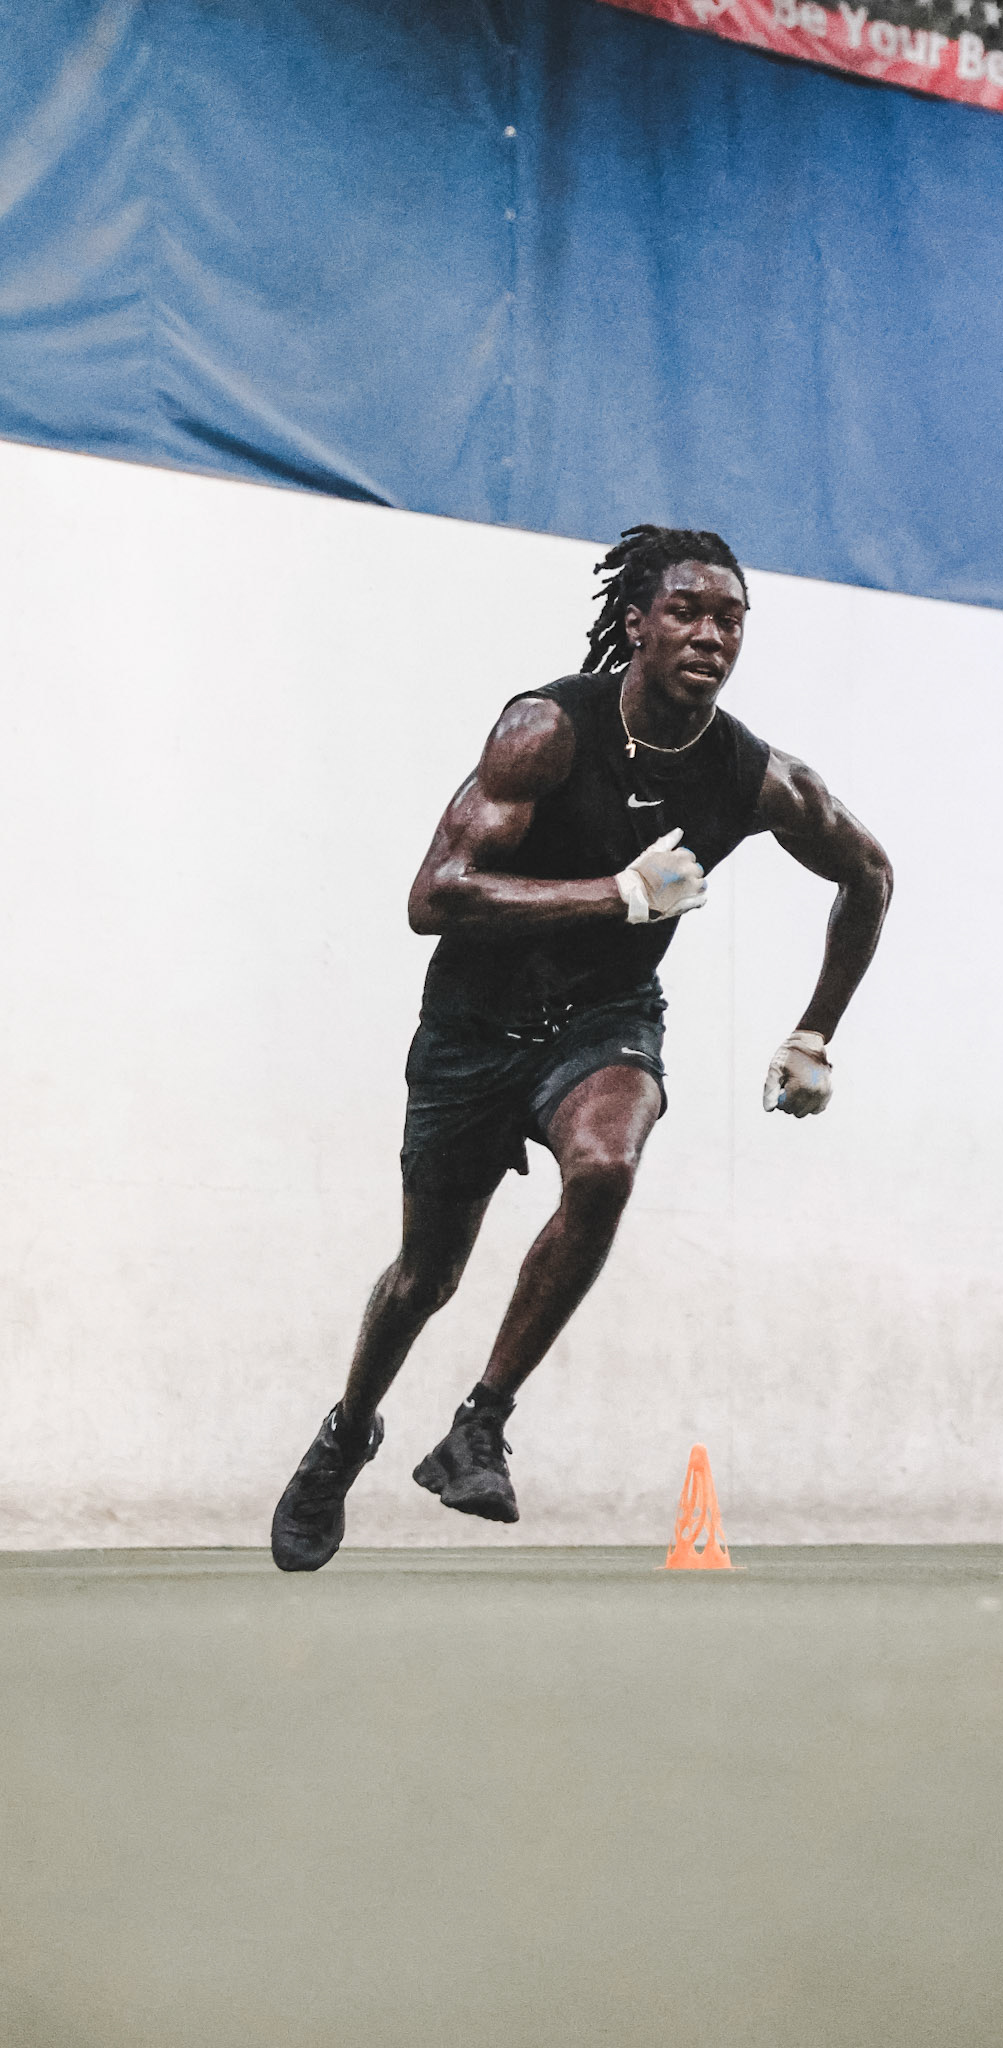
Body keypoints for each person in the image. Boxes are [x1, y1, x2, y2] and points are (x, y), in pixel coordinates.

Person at [271, 525, 893, 1570]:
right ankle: (347, 1433)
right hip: (473, 1028)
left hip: (606, 1020)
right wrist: (616, 894)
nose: (710, 634)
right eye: (686, 611)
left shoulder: (753, 777)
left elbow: (868, 872)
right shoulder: (546, 730)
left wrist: (814, 1032)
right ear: (638, 623)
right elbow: (435, 897)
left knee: (606, 1165)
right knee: (425, 1278)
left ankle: (480, 1425)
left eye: (730, 618)